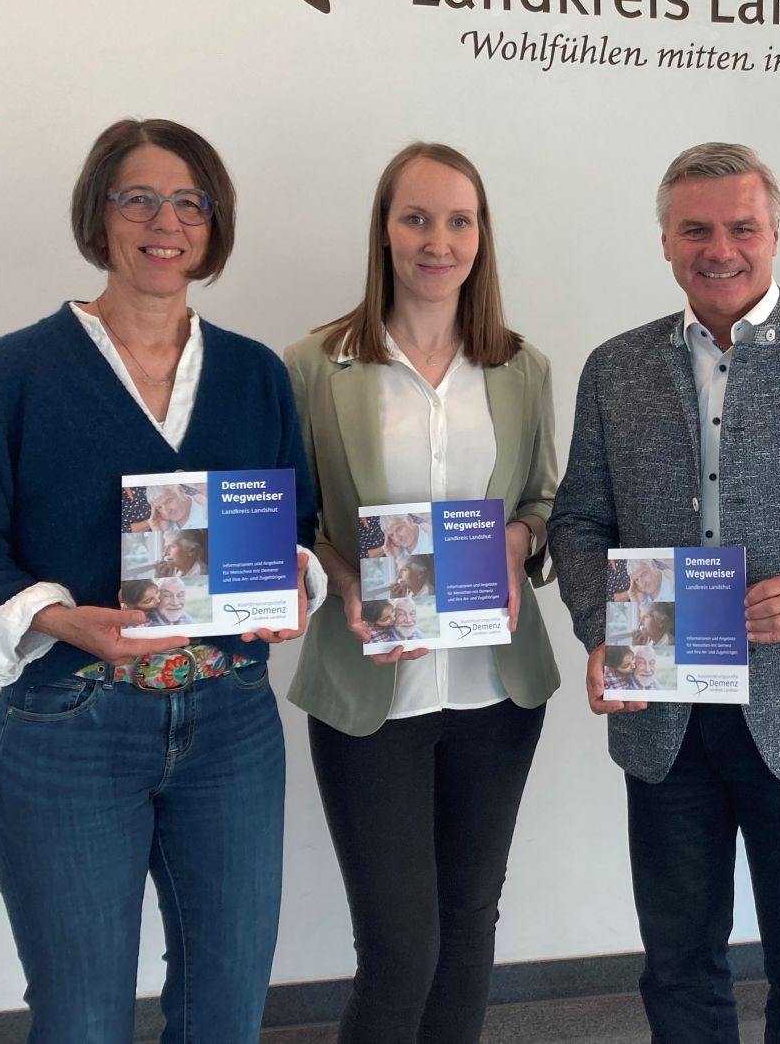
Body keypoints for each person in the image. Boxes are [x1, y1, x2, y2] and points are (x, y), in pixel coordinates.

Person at [0, 117, 319, 1043]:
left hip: (233, 725)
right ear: (100, 214)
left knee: (227, 1016)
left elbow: (295, 529)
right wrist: (64, 619)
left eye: (189, 202)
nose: (164, 222)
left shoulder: (254, 374)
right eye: (139, 199)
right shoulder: (13, 375)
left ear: (212, 224)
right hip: (72, 729)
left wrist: (293, 583)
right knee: (84, 1022)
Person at [551, 142, 780, 1044]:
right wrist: (605, 628)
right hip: (665, 710)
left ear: (775, 234)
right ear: (665, 242)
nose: (720, 249)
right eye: (696, 230)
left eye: (742, 228)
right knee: (678, 965)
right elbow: (579, 521)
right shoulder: (614, 368)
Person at [283, 141, 561, 1044]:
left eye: (458, 221)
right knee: (400, 952)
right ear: (385, 231)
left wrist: (518, 540)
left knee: (469, 927)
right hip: (371, 690)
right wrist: (341, 575)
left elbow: (544, 501)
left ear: (481, 236)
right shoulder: (314, 366)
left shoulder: (522, 368)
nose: (438, 241)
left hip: (495, 690)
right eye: (416, 218)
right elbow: (287, 519)